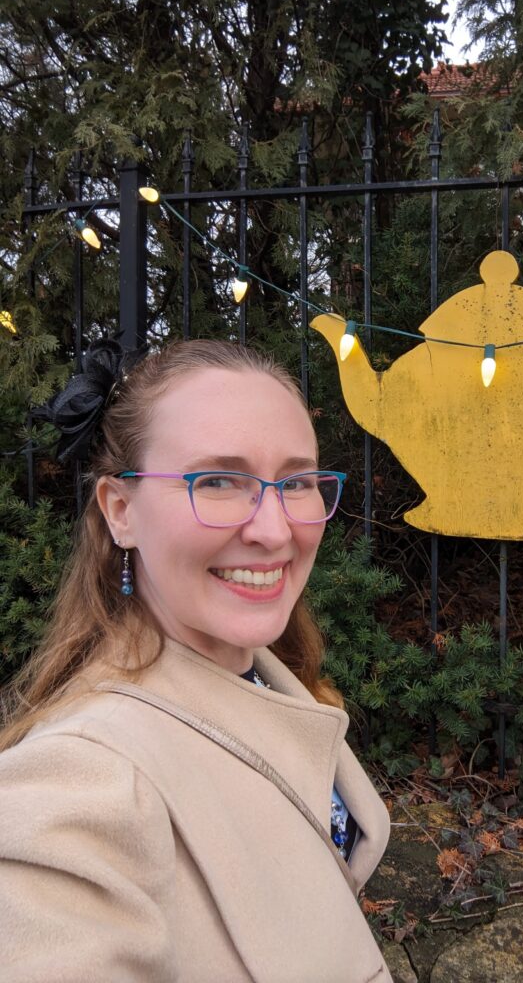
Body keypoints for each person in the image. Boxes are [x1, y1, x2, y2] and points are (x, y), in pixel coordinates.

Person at [0, 338, 393, 983]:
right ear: (120, 511)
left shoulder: (264, 670)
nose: (274, 529)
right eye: (216, 481)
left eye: (295, 482)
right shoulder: (83, 779)